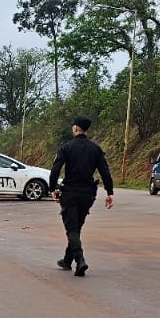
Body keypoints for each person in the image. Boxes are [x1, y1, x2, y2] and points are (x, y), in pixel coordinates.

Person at [47, 115, 114, 277]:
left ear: (76, 128)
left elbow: (55, 170)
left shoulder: (66, 147)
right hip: (88, 194)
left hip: (70, 193)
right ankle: (67, 260)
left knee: (72, 228)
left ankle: (80, 260)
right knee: (76, 227)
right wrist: (110, 192)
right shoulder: (95, 149)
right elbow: (105, 171)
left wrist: (52, 189)